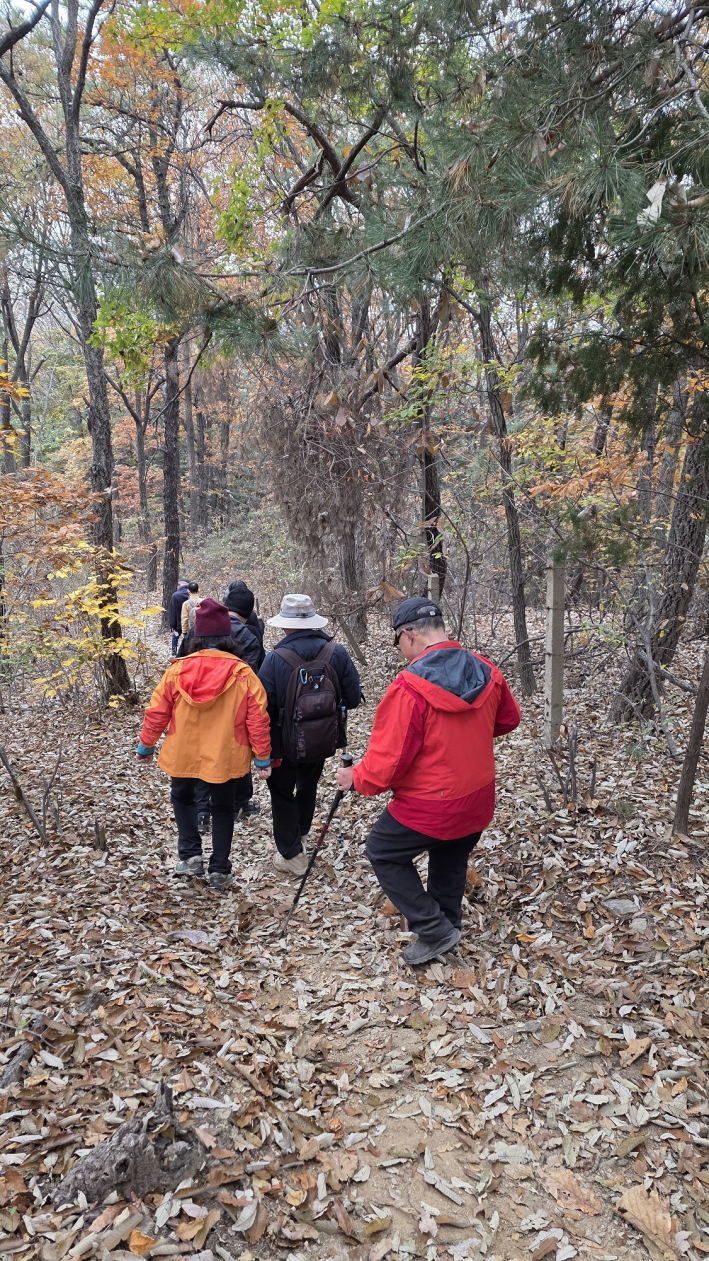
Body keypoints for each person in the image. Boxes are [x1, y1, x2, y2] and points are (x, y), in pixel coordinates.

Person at [336, 597, 520, 965]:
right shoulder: (486, 670)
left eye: (398, 643)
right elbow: (507, 720)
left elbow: (387, 766)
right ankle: (446, 926)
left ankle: (434, 929)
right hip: (478, 796)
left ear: (407, 635)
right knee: (450, 856)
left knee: (383, 851)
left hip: (431, 804)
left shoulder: (408, 689)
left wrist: (354, 778)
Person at [136, 598, 272, 889]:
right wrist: (262, 757)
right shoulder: (243, 674)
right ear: (228, 637)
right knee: (223, 808)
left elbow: (157, 710)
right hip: (226, 754)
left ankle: (190, 855)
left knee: (183, 797)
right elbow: (258, 718)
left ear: (196, 636)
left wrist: (146, 746)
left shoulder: (177, 671)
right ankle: (220, 869)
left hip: (183, 751)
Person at [259, 593, 362, 877]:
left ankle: (292, 855)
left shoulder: (275, 659)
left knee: (281, 791)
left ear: (285, 625)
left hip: (283, 742)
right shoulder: (336, 652)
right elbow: (353, 698)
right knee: (308, 784)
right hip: (323, 739)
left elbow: (261, 706)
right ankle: (301, 835)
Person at [189, 582, 265, 829]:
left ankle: (202, 812)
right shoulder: (250, 636)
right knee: (237, 754)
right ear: (248, 612)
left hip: (196, 703)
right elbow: (253, 676)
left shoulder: (198, 630)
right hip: (234, 708)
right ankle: (237, 803)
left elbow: (181, 664)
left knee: (201, 754)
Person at [168, 579, 190, 655]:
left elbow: (172, 611)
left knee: (175, 637)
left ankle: (174, 653)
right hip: (190, 623)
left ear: (180, 585)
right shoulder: (192, 596)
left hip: (178, 622)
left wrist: (172, 624)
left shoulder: (175, 596)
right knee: (188, 638)